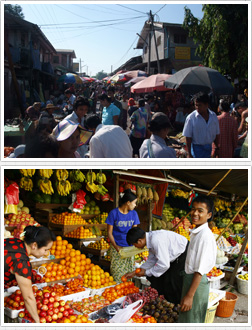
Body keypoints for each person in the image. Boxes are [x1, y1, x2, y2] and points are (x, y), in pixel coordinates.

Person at [4, 226, 55, 323]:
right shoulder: (21, 262)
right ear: (34, 245)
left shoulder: (15, 241)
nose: (46, 253)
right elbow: (28, 297)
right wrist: (37, 321)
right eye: (45, 249)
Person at [178, 195, 217, 323]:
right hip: (191, 281)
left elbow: (199, 270)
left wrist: (190, 296)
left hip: (195, 283)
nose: (195, 213)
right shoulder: (197, 232)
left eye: (200, 211)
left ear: (209, 215)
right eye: (193, 209)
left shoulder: (205, 236)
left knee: (192, 320)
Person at [124, 227, 188, 304]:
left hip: (183, 254)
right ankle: (164, 301)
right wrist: (135, 272)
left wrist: (146, 273)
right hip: (173, 257)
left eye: (135, 245)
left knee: (173, 282)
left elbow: (164, 264)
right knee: (164, 281)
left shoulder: (155, 240)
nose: (135, 247)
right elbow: (151, 260)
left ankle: (176, 306)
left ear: (139, 241)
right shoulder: (150, 239)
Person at [105, 189, 140, 282]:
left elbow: (134, 231)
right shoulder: (114, 213)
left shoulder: (134, 214)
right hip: (116, 247)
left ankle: (127, 293)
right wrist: (116, 247)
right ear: (128, 202)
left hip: (129, 248)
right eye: (134, 203)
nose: (135, 205)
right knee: (117, 274)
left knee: (129, 274)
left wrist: (134, 246)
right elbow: (109, 233)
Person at [182, 92, 220, 158]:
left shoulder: (213, 116)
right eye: (196, 105)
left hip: (209, 149)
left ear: (206, 105)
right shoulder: (191, 118)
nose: (197, 107)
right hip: (196, 150)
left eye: (200, 105)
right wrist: (189, 154)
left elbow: (216, 133)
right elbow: (188, 137)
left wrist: (217, 147)